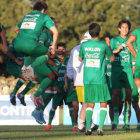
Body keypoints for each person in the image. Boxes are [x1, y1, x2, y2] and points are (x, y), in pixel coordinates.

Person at [79, 23, 114, 136]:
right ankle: (100, 129)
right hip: (100, 79)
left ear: (89, 33)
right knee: (103, 104)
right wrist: (108, 45)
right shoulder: (103, 45)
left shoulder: (84, 45)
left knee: (90, 105)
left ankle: (88, 128)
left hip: (88, 79)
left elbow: (80, 59)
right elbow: (112, 59)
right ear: (99, 32)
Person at [67, 32, 98, 132]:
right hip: (89, 80)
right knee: (87, 103)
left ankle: (89, 123)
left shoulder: (74, 49)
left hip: (78, 80)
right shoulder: (91, 49)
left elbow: (70, 67)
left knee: (85, 103)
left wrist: (72, 79)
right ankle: (81, 125)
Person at [110, 20, 134, 130]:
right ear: (119, 28)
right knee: (115, 93)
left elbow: (135, 55)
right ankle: (115, 116)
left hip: (128, 70)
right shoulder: (114, 40)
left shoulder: (132, 41)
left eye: (127, 27)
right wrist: (117, 50)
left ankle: (126, 119)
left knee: (129, 94)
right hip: (115, 70)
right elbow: (109, 53)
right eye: (123, 27)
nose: (125, 29)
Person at [126, 28, 140, 96]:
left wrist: (136, 56)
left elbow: (128, 42)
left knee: (137, 78)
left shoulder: (137, 31)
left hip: (139, 61)